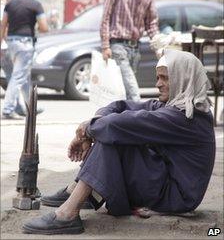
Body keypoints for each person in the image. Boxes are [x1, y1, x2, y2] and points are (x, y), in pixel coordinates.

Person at [22, 49, 215, 235]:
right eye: (158, 78)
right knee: (116, 131)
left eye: (164, 78)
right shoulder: (173, 104)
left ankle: (69, 213)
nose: (158, 84)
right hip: (163, 183)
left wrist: (88, 129)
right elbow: (120, 106)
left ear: (184, 79)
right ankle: (83, 192)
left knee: (115, 136)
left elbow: (117, 125)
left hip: (174, 197)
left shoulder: (186, 118)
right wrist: (93, 126)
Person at [100, 0, 159, 101]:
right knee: (134, 94)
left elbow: (151, 22)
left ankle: (123, 124)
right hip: (117, 46)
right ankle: (141, 123)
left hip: (136, 48)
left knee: (125, 95)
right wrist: (105, 45)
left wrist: (158, 46)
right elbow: (106, 15)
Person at [0, 0, 48, 119]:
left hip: (11, 43)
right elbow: (44, 27)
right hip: (25, 44)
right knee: (18, 76)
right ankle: (8, 110)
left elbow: (3, 25)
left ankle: (30, 107)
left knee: (24, 77)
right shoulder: (36, 5)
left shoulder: (10, 3)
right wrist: (39, 28)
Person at [0, 0, 26, 116]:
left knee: (12, 78)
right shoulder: (4, 7)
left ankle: (18, 108)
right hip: (4, 49)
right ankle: (11, 109)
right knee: (14, 78)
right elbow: (3, 28)